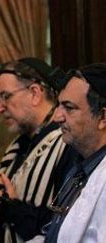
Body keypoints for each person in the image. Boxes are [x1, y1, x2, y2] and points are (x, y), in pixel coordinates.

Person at [0, 58, 77, 243]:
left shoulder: (67, 144)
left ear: (35, 93)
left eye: (5, 96)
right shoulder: (17, 144)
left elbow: (67, 225)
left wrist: (10, 209)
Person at [34, 63, 106, 243]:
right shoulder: (78, 169)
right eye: (59, 105)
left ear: (103, 118)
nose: (57, 116)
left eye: (69, 107)